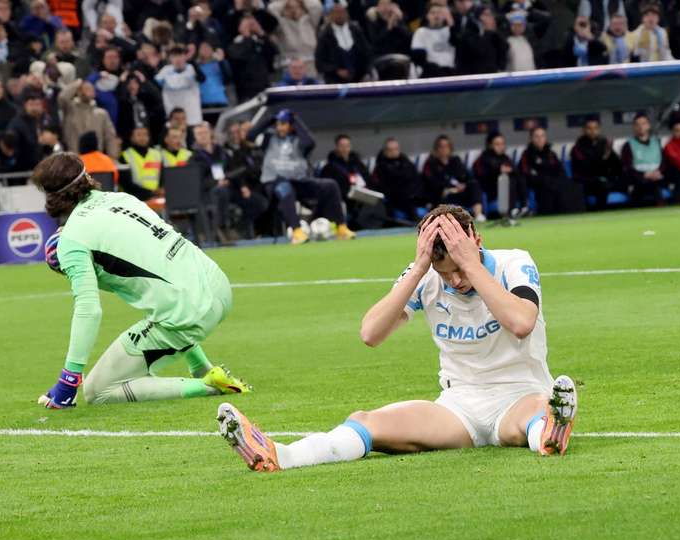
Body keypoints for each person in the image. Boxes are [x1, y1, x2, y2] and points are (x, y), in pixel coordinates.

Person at [216, 205, 579, 472]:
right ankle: (281, 455)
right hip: (458, 407)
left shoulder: (514, 262)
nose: (454, 280)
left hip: (519, 394)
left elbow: (521, 322)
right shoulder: (426, 275)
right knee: (366, 421)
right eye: (444, 272)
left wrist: (471, 265)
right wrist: (420, 268)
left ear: (477, 241)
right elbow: (370, 334)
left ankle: (548, 434)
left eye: (458, 268)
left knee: (536, 414)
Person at [30, 151, 252, 408]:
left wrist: (68, 381)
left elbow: (88, 310)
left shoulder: (72, 240)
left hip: (188, 311)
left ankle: (208, 387)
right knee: (162, 301)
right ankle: (204, 371)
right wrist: (199, 364)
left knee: (96, 391)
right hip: (218, 285)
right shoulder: (121, 198)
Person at [249, 109, 355, 244]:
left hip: (298, 182)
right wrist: (269, 120)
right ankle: (297, 231)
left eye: (283, 124)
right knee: (285, 188)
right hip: (274, 182)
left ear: (291, 125)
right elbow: (250, 136)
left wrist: (295, 120)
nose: (279, 127)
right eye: (278, 124)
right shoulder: (269, 137)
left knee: (330, 185)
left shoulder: (299, 141)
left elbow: (310, 143)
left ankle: (341, 227)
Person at [422, 134, 483, 219]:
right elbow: (431, 184)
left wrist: (464, 185)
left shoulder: (455, 161)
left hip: (460, 192)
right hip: (443, 195)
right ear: (436, 148)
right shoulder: (430, 164)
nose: (444, 149)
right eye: (441, 146)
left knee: (474, 185)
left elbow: (467, 177)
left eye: (447, 146)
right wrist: (449, 189)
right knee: (446, 197)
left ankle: (478, 215)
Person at [519, 126, 576, 215]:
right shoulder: (526, 155)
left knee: (571, 186)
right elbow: (526, 174)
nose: (540, 139)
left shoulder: (551, 154)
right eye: (536, 136)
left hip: (554, 184)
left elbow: (561, 172)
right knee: (547, 189)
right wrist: (544, 179)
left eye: (542, 136)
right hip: (539, 187)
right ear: (531, 139)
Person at [570, 117, 623, 210]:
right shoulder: (577, 148)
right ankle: (600, 213)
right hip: (587, 182)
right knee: (601, 185)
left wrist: (609, 156)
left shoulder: (604, 144)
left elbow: (617, 167)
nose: (593, 131)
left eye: (595, 128)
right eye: (589, 128)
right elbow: (585, 170)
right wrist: (603, 158)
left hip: (606, 180)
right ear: (584, 130)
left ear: (599, 129)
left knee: (627, 180)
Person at [58, 78, 120, 158]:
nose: (89, 91)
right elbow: (62, 98)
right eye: (86, 88)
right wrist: (77, 83)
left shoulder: (101, 114)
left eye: (91, 89)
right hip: (74, 158)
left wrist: (113, 157)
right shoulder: (70, 108)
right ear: (79, 91)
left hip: (96, 159)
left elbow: (110, 137)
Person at [314, 2, 372, 84]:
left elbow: (367, 52)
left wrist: (365, 70)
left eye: (342, 12)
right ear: (330, 15)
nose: (340, 15)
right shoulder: (325, 35)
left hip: (359, 78)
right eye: (336, 13)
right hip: (334, 81)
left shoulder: (356, 30)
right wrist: (336, 70)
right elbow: (319, 62)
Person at [226, 14, 278, 101]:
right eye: (246, 24)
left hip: (264, 86)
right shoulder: (235, 43)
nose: (250, 27)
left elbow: (273, 52)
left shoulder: (260, 41)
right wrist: (246, 36)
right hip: (246, 91)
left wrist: (261, 32)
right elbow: (241, 56)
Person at [473, 132, 524, 218]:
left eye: (502, 144)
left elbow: (516, 171)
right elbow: (480, 177)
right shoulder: (483, 158)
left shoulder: (506, 158)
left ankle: (523, 207)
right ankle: (512, 209)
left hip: (508, 190)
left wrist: (510, 171)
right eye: (497, 144)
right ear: (490, 145)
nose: (501, 146)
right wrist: (498, 171)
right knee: (504, 178)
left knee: (514, 178)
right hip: (491, 190)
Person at [620, 113, 667, 206]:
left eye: (644, 123)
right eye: (637, 124)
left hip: (657, 176)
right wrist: (644, 174)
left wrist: (658, 172)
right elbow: (627, 167)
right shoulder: (628, 145)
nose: (641, 127)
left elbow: (664, 162)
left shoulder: (657, 142)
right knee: (645, 183)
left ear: (648, 125)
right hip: (639, 178)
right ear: (634, 127)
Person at [371, 137, 422, 221]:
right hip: (393, 198)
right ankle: (415, 220)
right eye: (390, 150)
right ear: (385, 151)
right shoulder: (380, 167)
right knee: (404, 196)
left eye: (395, 149)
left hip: (412, 195)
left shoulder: (406, 162)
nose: (393, 152)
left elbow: (416, 180)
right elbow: (381, 186)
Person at [268, 0, 322, 75]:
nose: (293, 10)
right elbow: (271, 8)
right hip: (289, 63)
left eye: (297, 7)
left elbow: (316, 5)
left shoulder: (309, 20)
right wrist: (285, 2)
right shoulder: (281, 23)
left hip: (310, 62)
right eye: (289, 7)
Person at [156, 45, 205, 127]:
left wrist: (193, 61)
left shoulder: (192, 68)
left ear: (185, 57)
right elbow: (155, 86)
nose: (178, 59)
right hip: (173, 119)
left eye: (180, 55)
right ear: (170, 59)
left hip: (193, 119)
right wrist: (153, 67)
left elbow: (202, 79)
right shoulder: (165, 70)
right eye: (174, 56)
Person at [457, 5, 508, 75]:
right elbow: (479, 52)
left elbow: (504, 50)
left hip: (492, 78)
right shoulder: (467, 36)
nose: (491, 18)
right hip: (473, 79)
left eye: (491, 15)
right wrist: (488, 32)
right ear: (477, 18)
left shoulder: (495, 35)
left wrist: (493, 33)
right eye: (486, 15)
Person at [119, 125, 163, 203]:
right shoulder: (125, 155)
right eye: (139, 135)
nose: (142, 137)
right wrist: (149, 193)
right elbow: (126, 183)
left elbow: (162, 176)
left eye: (145, 134)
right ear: (132, 138)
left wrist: (159, 190)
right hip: (134, 198)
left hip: (156, 198)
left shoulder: (157, 154)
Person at [411, 4, 457, 78]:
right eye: (433, 13)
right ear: (427, 16)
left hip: (451, 72)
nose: (436, 15)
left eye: (439, 13)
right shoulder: (421, 32)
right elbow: (418, 58)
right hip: (430, 73)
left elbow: (458, 43)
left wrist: (451, 24)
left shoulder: (450, 31)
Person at [195, 41, 231, 109]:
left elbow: (228, 78)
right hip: (203, 103)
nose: (205, 50)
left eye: (207, 47)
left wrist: (221, 60)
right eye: (203, 48)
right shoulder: (196, 67)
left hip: (220, 101)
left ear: (212, 50)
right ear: (199, 51)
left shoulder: (220, 64)